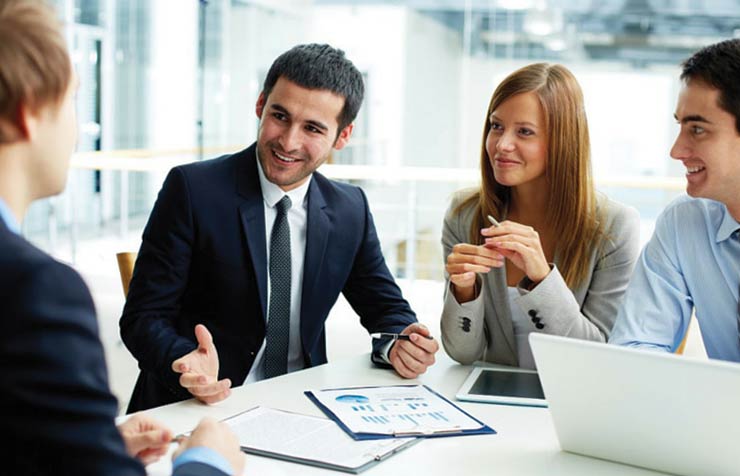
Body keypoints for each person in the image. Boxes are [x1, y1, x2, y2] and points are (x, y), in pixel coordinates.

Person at [120, 43, 439, 412]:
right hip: (199, 403)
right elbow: (144, 318)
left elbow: (386, 309)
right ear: (260, 106)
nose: (288, 142)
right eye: (280, 116)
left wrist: (400, 343)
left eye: (313, 128)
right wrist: (184, 361)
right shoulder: (193, 190)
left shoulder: (349, 208)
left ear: (342, 136)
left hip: (302, 403)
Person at [0, 1, 244, 474]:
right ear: (30, 110)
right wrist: (208, 459)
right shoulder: (35, 291)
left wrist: (85, 444)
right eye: (73, 98)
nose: (76, 129)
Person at [440, 63, 640, 368]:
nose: (502, 145)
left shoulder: (613, 227)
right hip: (490, 402)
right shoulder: (464, 215)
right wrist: (464, 290)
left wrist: (543, 279)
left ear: (563, 141)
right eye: (496, 126)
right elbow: (463, 352)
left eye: (524, 132)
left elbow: (598, 356)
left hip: (573, 402)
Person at [610, 39, 740, 361]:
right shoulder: (685, 222)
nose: (676, 151)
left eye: (697, 129)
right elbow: (635, 350)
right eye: (680, 126)